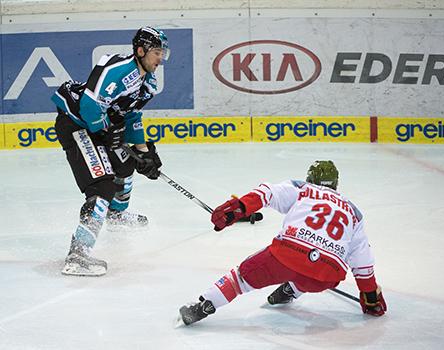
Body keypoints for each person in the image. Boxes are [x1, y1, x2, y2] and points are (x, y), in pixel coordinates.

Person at [178, 160, 387, 325]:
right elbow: (363, 263)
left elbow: (268, 193)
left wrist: (241, 207)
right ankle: (291, 290)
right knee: (309, 271)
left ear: (310, 177)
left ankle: (203, 305)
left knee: (240, 278)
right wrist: (370, 297)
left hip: (286, 256)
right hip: (326, 275)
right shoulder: (354, 212)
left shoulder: (303, 188)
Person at [51, 26, 169, 276]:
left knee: (126, 165)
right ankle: (77, 255)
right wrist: (105, 132)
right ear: (140, 50)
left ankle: (114, 216)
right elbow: (90, 106)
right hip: (77, 125)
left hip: (100, 128)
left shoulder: (147, 82)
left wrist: (143, 151)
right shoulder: (118, 69)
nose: (161, 58)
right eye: (157, 52)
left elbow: (132, 116)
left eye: (163, 53)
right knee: (102, 186)